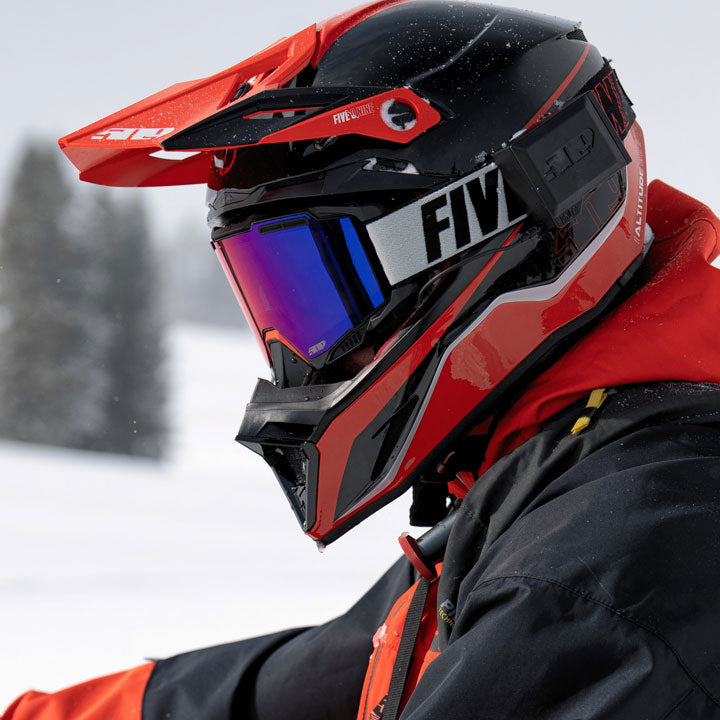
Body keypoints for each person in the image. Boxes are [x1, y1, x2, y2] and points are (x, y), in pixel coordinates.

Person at [4, 1, 720, 718]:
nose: (296, 354)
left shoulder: (608, 576)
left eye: (321, 292)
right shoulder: (554, 482)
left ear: (480, 231)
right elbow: (313, 677)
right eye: (269, 295)